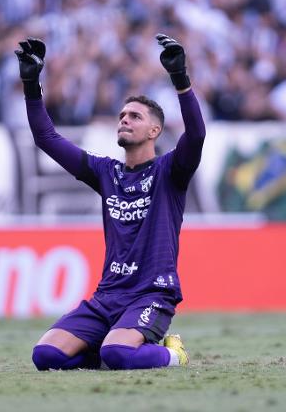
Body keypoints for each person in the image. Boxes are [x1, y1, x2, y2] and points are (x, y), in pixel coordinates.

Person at [15, 33, 206, 371]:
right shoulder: (106, 173)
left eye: (135, 116)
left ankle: (174, 354)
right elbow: (46, 137)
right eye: (122, 115)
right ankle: (111, 348)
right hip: (107, 296)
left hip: (152, 294)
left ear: (154, 131)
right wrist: (31, 84)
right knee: (45, 356)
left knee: (118, 354)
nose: (124, 119)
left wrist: (180, 78)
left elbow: (197, 135)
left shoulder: (170, 172)